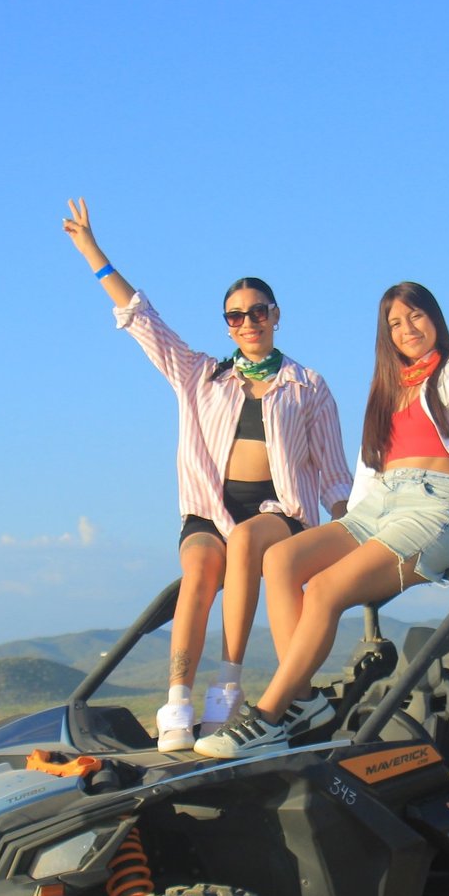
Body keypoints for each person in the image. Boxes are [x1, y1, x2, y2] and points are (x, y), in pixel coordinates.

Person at [196, 187, 449, 760]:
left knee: (328, 590)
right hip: (379, 505)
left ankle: (266, 716)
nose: (407, 327)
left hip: (435, 508)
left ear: (433, 319)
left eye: (415, 315)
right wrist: (339, 523)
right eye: (394, 322)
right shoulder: (387, 389)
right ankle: (303, 701)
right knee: (282, 559)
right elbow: (368, 475)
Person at [61, 198, 352, 750]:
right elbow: (141, 320)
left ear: (276, 314)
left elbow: (334, 472)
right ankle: (176, 703)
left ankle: (229, 688)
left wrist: (348, 527)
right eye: (235, 316)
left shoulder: (308, 386)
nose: (247, 323)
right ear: (227, 324)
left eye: (258, 311)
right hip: (208, 509)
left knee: (246, 539)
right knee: (198, 572)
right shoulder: (201, 374)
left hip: (278, 513)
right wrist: (92, 253)